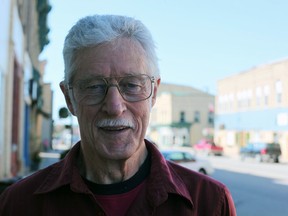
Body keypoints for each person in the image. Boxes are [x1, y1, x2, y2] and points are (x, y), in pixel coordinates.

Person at [0, 14, 236, 215]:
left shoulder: (209, 203)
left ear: (154, 94)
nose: (114, 106)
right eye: (94, 86)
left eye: (132, 85)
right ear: (69, 98)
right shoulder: (19, 205)